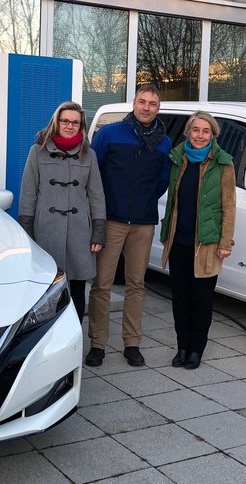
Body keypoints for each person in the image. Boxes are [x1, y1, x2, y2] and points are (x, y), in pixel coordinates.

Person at [85, 84, 171, 367]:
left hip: (143, 224)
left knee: (137, 285)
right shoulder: (109, 134)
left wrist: (144, 201)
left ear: (158, 108)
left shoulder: (164, 142)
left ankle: (132, 343)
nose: (147, 107)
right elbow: (93, 174)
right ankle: (97, 344)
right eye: (142, 102)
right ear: (133, 103)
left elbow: (161, 182)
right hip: (111, 220)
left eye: (153, 104)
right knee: (102, 285)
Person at [159, 111, 236, 370]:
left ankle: (196, 350)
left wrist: (226, 242)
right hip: (179, 241)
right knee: (180, 298)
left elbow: (229, 206)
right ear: (188, 132)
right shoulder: (177, 158)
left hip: (207, 244)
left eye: (206, 131)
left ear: (212, 135)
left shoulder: (223, 163)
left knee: (202, 301)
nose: (200, 135)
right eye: (196, 130)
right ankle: (182, 347)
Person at [18, 101, 106, 322]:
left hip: (79, 233)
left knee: (76, 289)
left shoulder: (90, 155)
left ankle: (74, 338)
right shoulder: (37, 152)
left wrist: (98, 232)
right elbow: (28, 194)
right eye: (65, 121)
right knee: (46, 289)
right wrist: (27, 233)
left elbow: (96, 196)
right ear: (56, 122)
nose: (70, 126)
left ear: (81, 126)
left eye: (75, 122)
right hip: (46, 230)